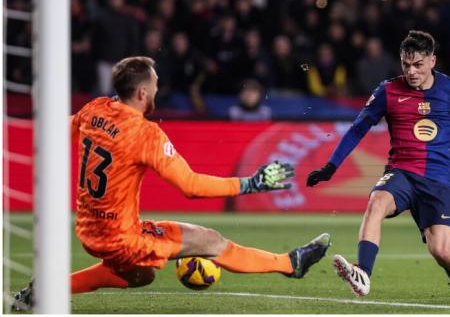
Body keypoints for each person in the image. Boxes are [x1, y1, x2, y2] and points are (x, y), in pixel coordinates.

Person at [12, 56, 330, 311]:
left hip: (88, 228)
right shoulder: (146, 134)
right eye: (154, 86)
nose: (157, 90)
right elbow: (191, 186)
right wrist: (250, 184)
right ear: (141, 94)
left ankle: (41, 293)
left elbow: (62, 133)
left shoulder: (95, 108)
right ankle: (291, 264)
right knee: (210, 241)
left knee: (142, 276)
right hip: (123, 237)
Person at [306, 31, 450, 297]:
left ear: (432, 61)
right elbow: (357, 129)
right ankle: (363, 273)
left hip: (437, 181)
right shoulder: (388, 91)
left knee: (441, 250)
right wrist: (331, 167)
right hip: (400, 173)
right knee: (376, 202)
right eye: (406, 64)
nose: (411, 71)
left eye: (418, 65)